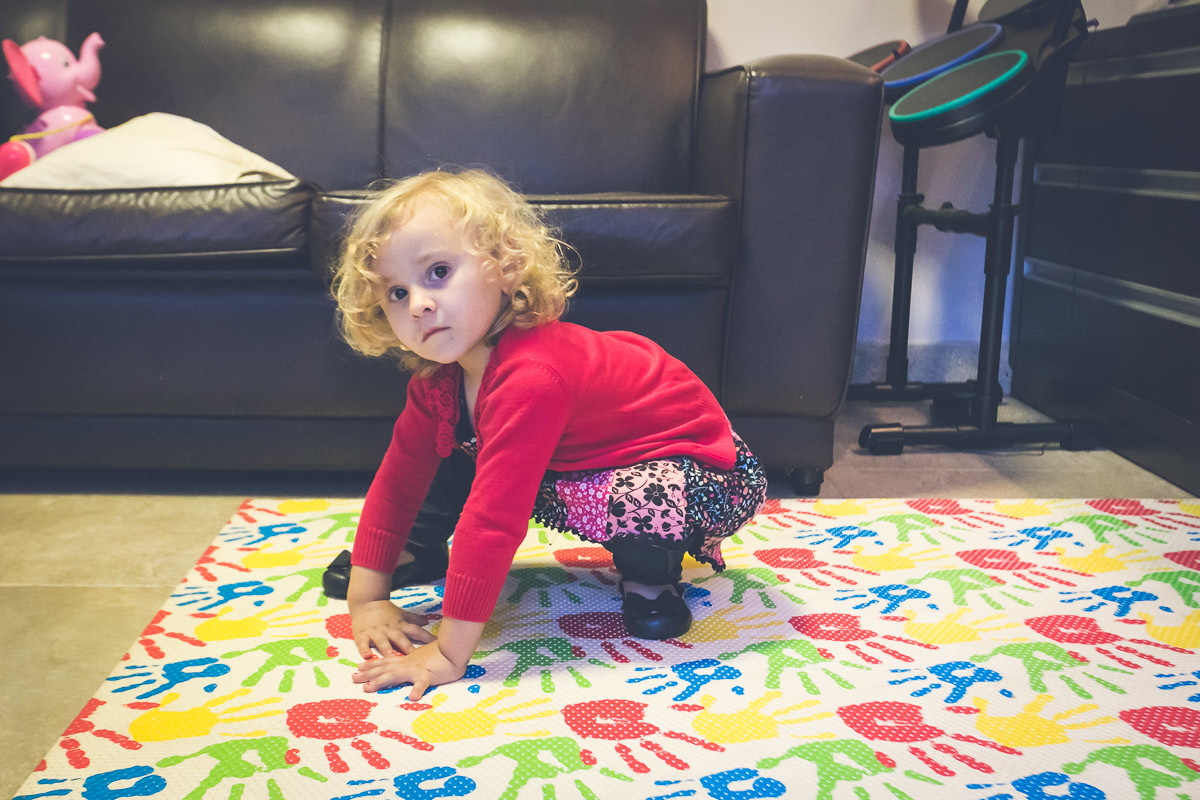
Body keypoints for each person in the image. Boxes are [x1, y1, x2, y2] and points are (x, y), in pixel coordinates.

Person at [329, 168, 767, 700]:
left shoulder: (532, 376)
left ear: (507, 267)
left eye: (439, 271)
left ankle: (652, 577)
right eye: (397, 292)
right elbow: (397, 482)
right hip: (584, 461)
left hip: (703, 470)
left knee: (629, 496)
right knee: (458, 442)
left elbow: (494, 519)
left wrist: (448, 651)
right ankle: (418, 549)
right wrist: (368, 600)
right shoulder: (440, 380)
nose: (418, 303)